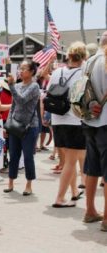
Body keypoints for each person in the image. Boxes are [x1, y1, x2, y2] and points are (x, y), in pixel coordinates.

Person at [50, 41, 87, 208]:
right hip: (75, 120)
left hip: (57, 119)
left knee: (68, 161)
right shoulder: (84, 73)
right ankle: (59, 198)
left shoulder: (57, 72)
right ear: (83, 57)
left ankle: (73, 192)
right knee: (71, 162)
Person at [81, 31, 107, 230]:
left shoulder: (89, 61)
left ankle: (90, 210)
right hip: (105, 121)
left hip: (89, 120)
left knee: (92, 167)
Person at [4, 60, 40, 196]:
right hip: (14, 126)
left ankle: (28, 184)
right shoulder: (17, 85)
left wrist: (11, 85)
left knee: (28, 157)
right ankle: (10, 183)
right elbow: (13, 106)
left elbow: (22, 100)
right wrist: (7, 125)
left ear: (31, 72)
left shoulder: (34, 86)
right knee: (13, 155)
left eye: (24, 68)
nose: (21, 71)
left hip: (29, 127)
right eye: (20, 68)